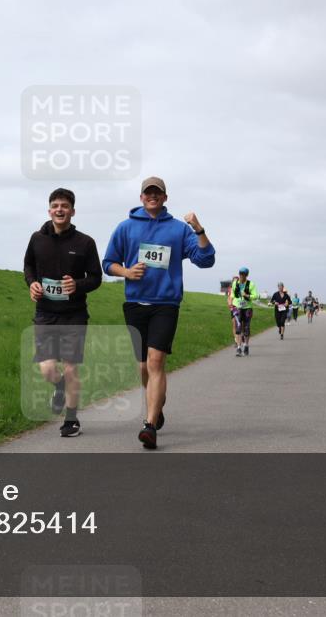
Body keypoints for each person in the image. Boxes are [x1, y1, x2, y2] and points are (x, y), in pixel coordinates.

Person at [102, 177, 214, 450]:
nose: (152, 196)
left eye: (157, 193)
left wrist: (198, 229)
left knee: (155, 363)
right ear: (141, 197)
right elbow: (108, 263)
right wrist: (126, 272)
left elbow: (206, 260)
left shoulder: (178, 229)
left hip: (166, 304)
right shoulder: (125, 227)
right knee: (143, 367)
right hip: (135, 303)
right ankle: (157, 403)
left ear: (165, 198)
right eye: (148, 193)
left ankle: (149, 425)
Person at [23, 188, 102, 437]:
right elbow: (28, 266)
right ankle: (58, 387)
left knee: (70, 369)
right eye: (55, 205)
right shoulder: (37, 238)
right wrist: (32, 284)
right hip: (45, 312)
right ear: (49, 210)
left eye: (64, 206)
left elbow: (96, 278)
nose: (60, 209)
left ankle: (71, 419)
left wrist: (77, 285)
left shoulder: (85, 243)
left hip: (74, 314)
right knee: (47, 369)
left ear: (72, 211)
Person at [230, 267, 258, 355]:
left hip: (247, 308)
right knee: (238, 328)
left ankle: (246, 345)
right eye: (240, 274)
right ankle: (238, 348)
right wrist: (232, 303)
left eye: (243, 274)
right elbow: (232, 294)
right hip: (237, 307)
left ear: (246, 275)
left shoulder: (251, 284)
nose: (241, 276)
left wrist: (247, 295)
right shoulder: (235, 283)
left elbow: (255, 296)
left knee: (246, 328)